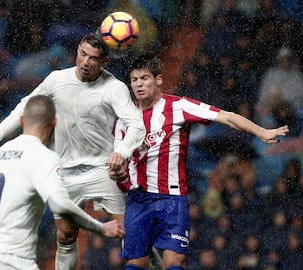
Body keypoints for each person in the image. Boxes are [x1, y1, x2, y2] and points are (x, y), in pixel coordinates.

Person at [0, 32, 145, 270]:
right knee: (66, 237)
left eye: (93, 58)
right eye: (82, 54)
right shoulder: (57, 80)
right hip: (66, 172)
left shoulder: (114, 88)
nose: (85, 62)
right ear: (77, 51)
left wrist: (123, 150)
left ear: (104, 62)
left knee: (130, 234)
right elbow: (27, 105)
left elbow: (136, 124)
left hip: (103, 170)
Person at [110, 54, 289, 270]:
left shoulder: (179, 106)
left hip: (172, 198)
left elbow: (226, 116)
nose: (139, 84)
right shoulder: (123, 120)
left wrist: (261, 131)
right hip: (138, 199)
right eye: (134, 80)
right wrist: (116, 173)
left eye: (144, 78)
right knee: (135, 264)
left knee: (174, 262)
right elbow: (119, 164)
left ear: (158, 79)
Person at [0, 95, 125, 270]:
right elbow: (61, 206)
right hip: (14, 261)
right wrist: (101, 228)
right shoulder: (44, 157)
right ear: (54, 123)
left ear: (22, 121)